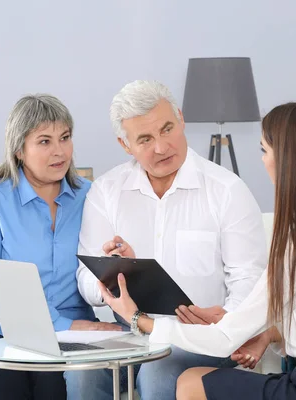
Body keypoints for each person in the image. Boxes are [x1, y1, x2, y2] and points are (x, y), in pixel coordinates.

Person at [99, 101, 296, 400]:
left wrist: (138, 319)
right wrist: (259, 332)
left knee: (189, 383)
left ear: (288, 158)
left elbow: (223, 340)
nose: (263, 161)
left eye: (265, 150)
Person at [65, 80, 268, 400]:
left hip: (200, 339)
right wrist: (115, 274)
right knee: (81, 376)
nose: (161, 147)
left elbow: (250, 282)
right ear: (125, 144)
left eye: (167, 129)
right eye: (145, 139)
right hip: (131, 335)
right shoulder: (106, 191)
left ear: (181, 119)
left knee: (158, 373)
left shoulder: (227, 191)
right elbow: (86, 282)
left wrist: (226, 324)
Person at [0, 94, 120, 400]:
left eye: (65, 138)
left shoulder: (91, 197)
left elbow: (104, 268)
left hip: (70, 329)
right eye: (44, 141)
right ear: (19, 149)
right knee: (2, 376)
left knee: (55, 383)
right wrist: (61, 325)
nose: (59, 151)